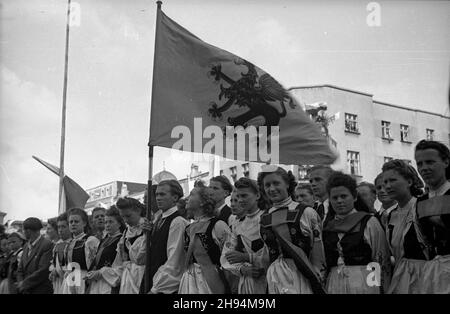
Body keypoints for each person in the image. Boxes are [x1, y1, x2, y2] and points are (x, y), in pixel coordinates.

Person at [258, 166, 326, 294]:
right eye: (267, 185)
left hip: (302, 275)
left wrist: (318, 276)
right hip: (275, 279)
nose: (272, 189)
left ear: (287, 184)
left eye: (276, 183)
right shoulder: (263, 218)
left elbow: (318, 251)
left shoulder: (306, 212)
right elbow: (266, 253)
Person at [322, 172, 391, 294]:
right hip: (334, 283)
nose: (339, 201)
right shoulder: (328, 227)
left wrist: (378, 288)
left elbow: (381, 259)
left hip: (364, 281)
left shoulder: (369, 222)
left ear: (354, 197)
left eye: (344, 196)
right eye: (335, 198)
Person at [382, 159, 427, 294]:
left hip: (425, 279)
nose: (388, 186)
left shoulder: (422, 208)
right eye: (385, 182)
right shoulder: (390, 215)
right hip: (401, 280)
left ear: (409, 182)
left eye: (393, 180)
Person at [179, 186, 232, 294]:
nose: (187, 198)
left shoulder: (218, 225)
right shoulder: (188, 229)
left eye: (192, 194)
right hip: (189, 282)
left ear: (203, 202)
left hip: (211, 283)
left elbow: (229, 258)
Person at [221, 178, 269, 294]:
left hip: (268, 280)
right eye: (238, 197)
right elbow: (226, 256)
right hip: (246, 283)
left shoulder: (268, 218)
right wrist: (242, 269)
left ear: (257, 195)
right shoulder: (236, 224)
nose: (240, 200)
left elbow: (275, 254)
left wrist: (247, 257)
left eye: (244, 196)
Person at [414, 139, 450, 293]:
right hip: (433, 271)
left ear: (446, 162)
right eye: (420, 164)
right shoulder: (421, 201)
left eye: (430, 162)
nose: (424, 168)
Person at [146, 180, 188, 294]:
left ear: (175, 197)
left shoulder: (177, 222)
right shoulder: (158, 220)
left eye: (162, 194)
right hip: (153, 280)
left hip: (166, 287)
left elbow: (174, 260)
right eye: (157, 194)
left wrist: (156, 289)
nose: (158, 198)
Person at [85, 206, 125, 294]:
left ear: (119, 224)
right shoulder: (104, 240)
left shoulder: (121, 240)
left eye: (110, 222)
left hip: (109, 283)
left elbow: (121, 266)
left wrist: (101, 272)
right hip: (98, 284)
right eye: (106, 222)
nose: (107, 224)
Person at [113, 197, 148, 294]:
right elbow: (119, 260)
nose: (125, 220)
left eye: (128, 216)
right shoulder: (125, 233)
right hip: (128, 278)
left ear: (138, 211)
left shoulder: (148, 227)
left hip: (143, 276)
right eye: (123, 217)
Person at [61, 208, 100, 294]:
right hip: (70, 280)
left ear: (84, 223)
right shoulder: (69, 243)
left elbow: (94, 264)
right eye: (71, 222)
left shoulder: (90, 240)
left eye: (76, 221)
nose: (73, 224)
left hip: (83, 279)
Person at [16, 217, 53, 294]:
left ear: (28, 231)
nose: (23, 232)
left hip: (40, 290)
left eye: (23, 230)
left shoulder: (47, 244)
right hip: (25, 290)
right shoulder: (26, 246)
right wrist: (21, 284)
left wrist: (24, 284)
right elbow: (20, 269)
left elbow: (43, 270)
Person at [48, 213, 71, 294]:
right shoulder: (57, 245)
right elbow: (54, 263)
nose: (60, 230)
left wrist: (59, 271)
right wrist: (53, 271)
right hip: (58, 282)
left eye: (63, 227)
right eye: (58, 227)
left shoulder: (73, 243)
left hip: (69, 282)